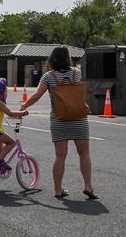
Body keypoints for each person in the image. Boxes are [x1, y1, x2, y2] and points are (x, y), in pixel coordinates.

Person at [20, 46, 98, 199]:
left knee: (60, 155)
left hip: (58, 119)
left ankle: (58, 189)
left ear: (52, 59)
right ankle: (88, 186)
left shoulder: (48, 77)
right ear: (68, 58)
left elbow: (36, 95)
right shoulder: (77, 73)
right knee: (84, 153)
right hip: (78, 118)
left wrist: (24, 106)